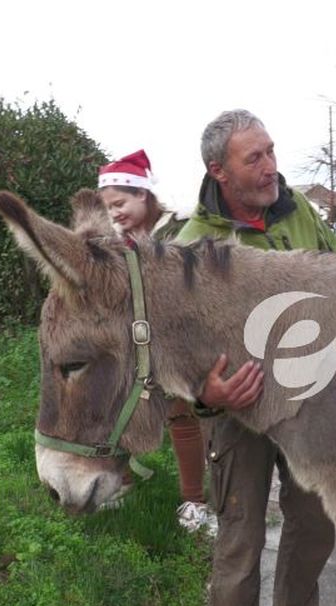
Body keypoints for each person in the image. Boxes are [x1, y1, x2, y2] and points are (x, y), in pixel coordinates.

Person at [175, 109, 336, 606]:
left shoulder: (300, 213)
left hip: (312, 408)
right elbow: (173, 350)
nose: (271, 167)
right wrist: (207, 394)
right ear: (218, 170)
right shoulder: (189, 246)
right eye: (255, 158)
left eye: (271, 151)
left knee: (313, 534)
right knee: (239, 548)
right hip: (238, 420)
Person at [95, 150, 215, 534]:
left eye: (120, 203)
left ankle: (194, 501)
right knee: (120, 409)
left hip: (178, 341)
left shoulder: (175, 231)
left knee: (182, 416)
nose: (114, 212)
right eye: (107, 206)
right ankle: (123, 479)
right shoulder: (114, 242)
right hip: (132, 343)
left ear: (143, 195)